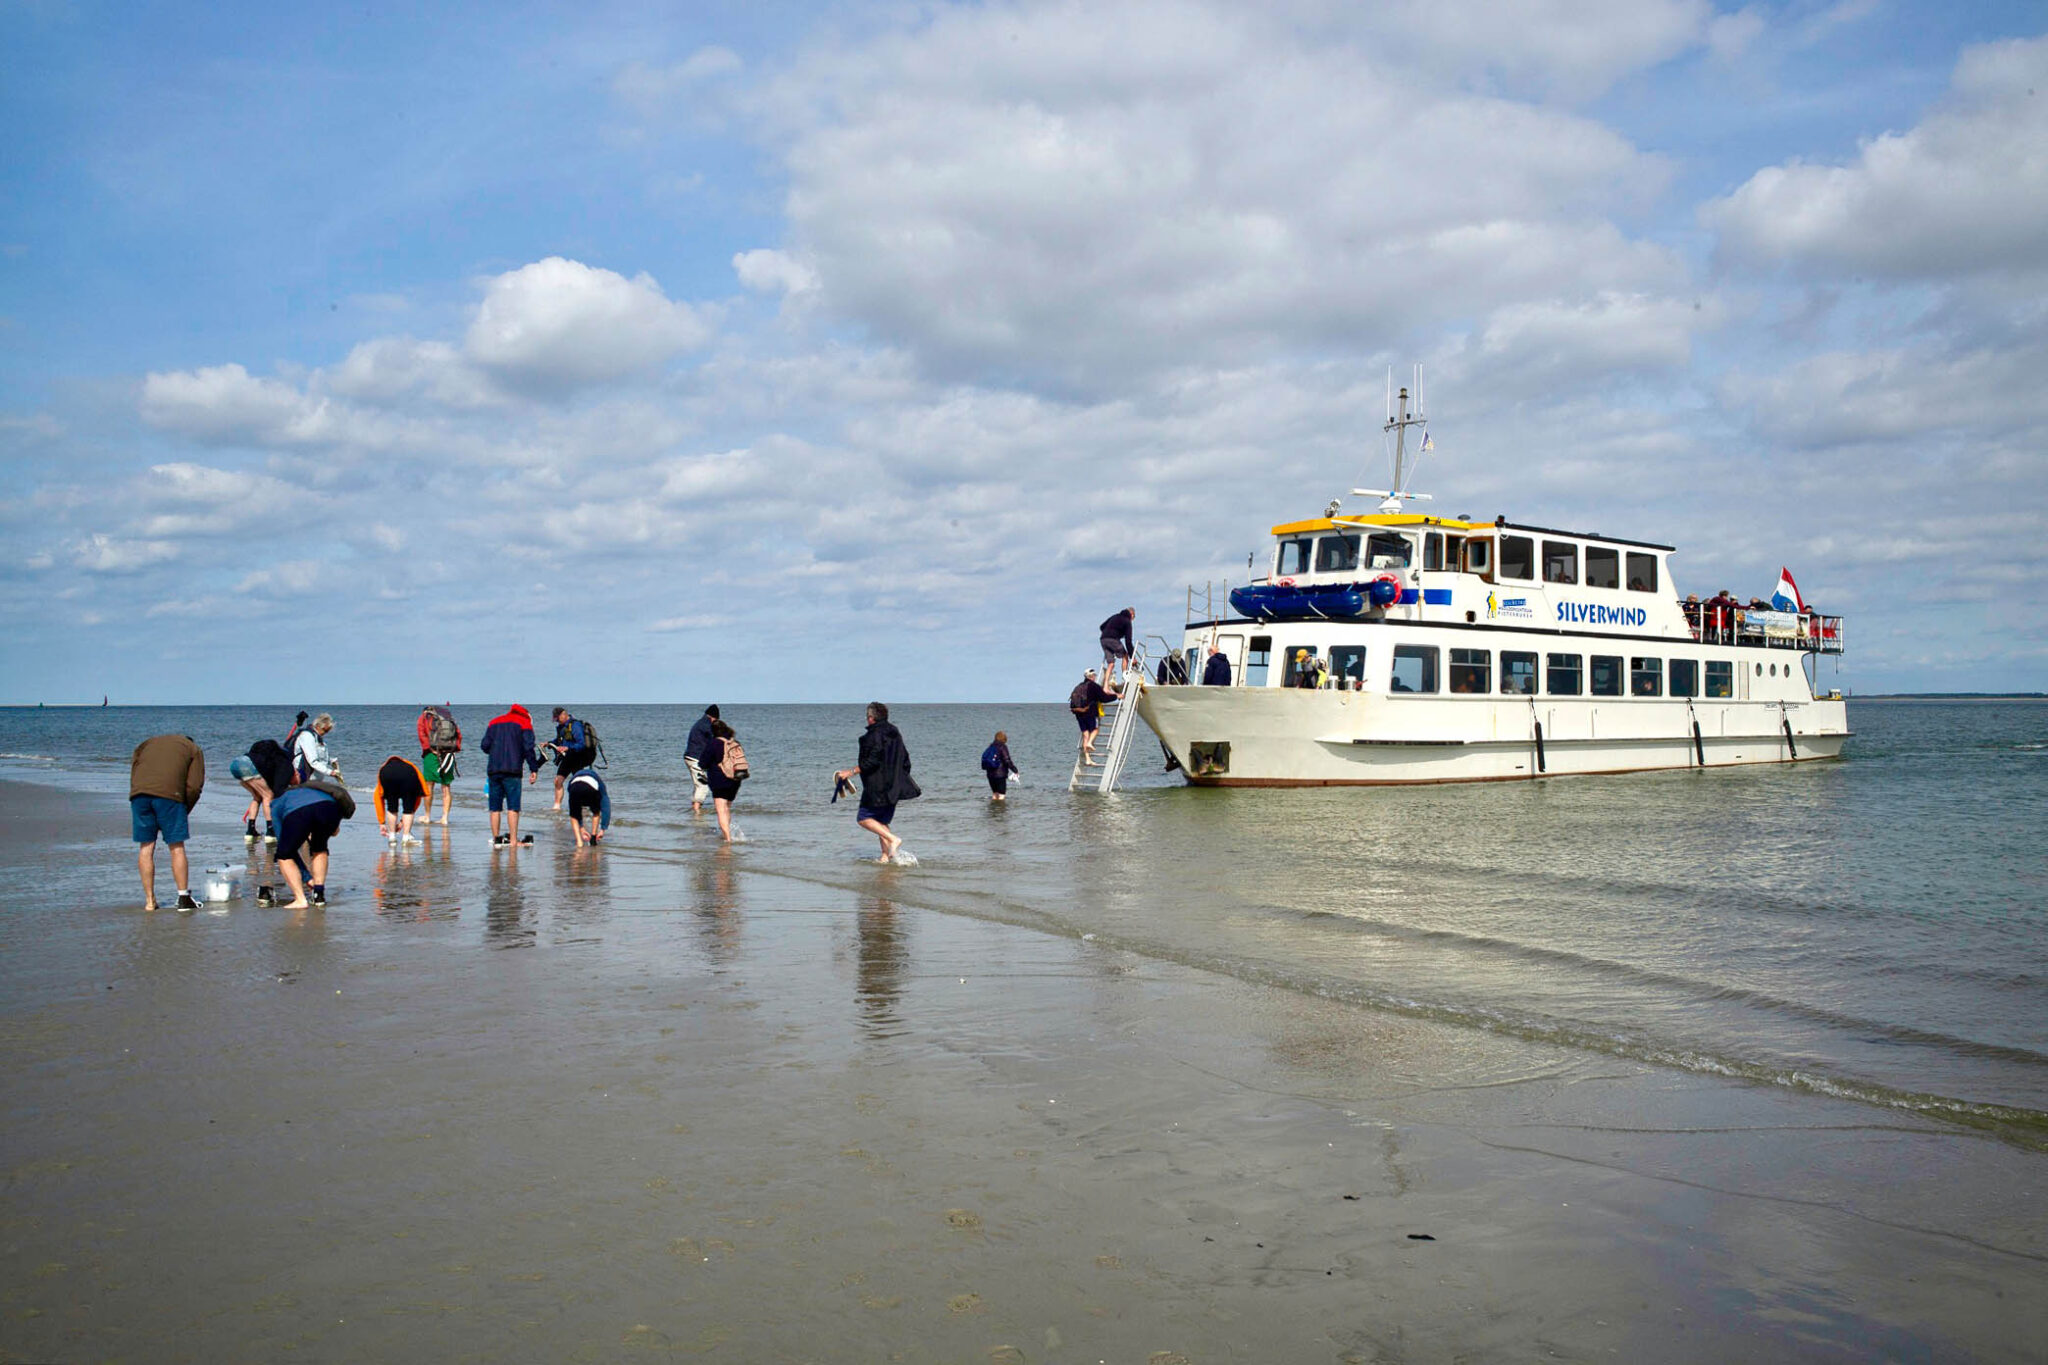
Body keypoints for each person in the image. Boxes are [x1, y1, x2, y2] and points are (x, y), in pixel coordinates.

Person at [835, 702, 919, 863]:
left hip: (877, 787)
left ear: (871, 718)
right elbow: (906, 760)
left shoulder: (872, 736)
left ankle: (894, 840)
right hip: (894, 786)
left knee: (863, 818)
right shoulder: (895, 733)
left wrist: (849, 772)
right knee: (881, 822)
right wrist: (899, 779)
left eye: (868, 717)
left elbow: (872, 761)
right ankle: (885, 857)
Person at [130, 733, 204, 912]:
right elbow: (194, 786)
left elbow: (134, 768)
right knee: (176, 847)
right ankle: (183, 898)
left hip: (139, 794)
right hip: (170, 796)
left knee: (146, 848)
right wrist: (185, 809)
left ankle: (149, 901)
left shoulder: (146, 743)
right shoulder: (193, 749)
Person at [270, 781, 343, 908]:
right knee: (320, 848)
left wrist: (307, 878)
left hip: (301, 812)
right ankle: (318, 894)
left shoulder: (276, 804)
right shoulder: (311, 791)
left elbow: (285, 849)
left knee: (283, 855)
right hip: (330, 808)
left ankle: (300, 899)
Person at [480, 704, 542, 846]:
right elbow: (528, 748)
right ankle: (513, 841)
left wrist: (497, 750)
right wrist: (534, 769)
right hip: (513, 770)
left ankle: (496, 839)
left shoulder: (494, 722)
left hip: (494, 769)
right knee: (513, 806)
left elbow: (484, 746)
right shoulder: (524, 723)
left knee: (494, 807)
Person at [702, 718, 748, 842]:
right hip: (735, 779)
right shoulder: (734, 742)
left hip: (719, 780)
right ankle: (728, 834)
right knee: (727, 808)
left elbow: (703, 763)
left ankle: (728, 839)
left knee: (721, 809)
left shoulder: (714, 743)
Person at [417, 703, 461, 824]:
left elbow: (422, 735)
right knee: (446, 787)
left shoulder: (424, 718)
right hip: (448, 753)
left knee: (429, 786)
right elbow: (457, 734)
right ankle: (445, 818)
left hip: (431, 754)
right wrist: (455, 749)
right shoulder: (447, 717)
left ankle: (427, 816)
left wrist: (429, 748)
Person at [547, 707, 597, 811]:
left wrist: (568, 748)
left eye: (557, 719)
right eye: (555, 719)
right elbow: (559, 740)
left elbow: (581, 744)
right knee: (558, 781)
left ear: (564, 714)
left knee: (578, 782)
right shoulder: (562, 727)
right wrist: (549, 743)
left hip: (578, 757)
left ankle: (585, 806)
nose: (556, 721)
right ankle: (557, 807)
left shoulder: (575, 726)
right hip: (568, 757)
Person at [373, 754, 429, 844]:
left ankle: (392, 837)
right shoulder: (411, 766)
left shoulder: (383, 769)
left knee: (392, 808)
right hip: (408, 775)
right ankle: (406, 837)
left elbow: (378, 798)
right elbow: (417, 800)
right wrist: (403, 821)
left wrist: (382, 823)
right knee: (408, 809)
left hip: (387, 775)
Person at [1069, 669, 1120, 760]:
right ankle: (1090, 743)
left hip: (1079, 713)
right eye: (1094, 675)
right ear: (1092, 676)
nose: (1095, 677)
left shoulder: (1079, 686)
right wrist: (1116, 696)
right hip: (1090, 713)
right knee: (1095, 730)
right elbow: (1104, 698)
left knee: (1085, 735)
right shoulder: (1094, 686)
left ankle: (1088, 759)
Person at [684, 704, 719, 815]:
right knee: (703, 786)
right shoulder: (706, 725)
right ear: (713, 717)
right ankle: (697, 811)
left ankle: (695, 807)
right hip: (695, 758)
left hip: (690, 757)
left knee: (698, 784)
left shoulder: (700, 723)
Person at [564, 768, 612, 847]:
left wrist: (581, 828)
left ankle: (579, 842)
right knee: (596, 812)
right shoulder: (600, 782)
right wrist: (603, 828)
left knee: (573, 815)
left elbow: (575, 810)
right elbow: (606, 806)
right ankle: (593, 838)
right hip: (590, 787)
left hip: (574, 787)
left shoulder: (573, 779)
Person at [293, 713, 339, 782]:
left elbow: (320, 756)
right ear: (317, 726)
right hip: (304, 778)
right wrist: (330, 772)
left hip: (314, 779)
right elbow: (312, 761)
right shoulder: (307, 736)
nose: (325, 733)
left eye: (327, 731)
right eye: (325, 730)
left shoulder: (317, 738)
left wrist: (331, 761)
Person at [1099, 607, 1136, 683]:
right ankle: (1125, 678)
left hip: (1103, 639)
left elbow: (1102, 627)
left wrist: (1110, 631)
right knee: (1125, 655)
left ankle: (1106, 685)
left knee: (1111, 663)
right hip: (1112, 639)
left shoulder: (1115, 616)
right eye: (1133, 618)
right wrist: (1132, 657)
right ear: (1132, 615)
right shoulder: (1127, 621)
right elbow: (1128, 642)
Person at [980, 731, 1019, 801]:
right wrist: (1015, 770)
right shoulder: (1003, 747)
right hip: (1000, 775)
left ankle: (994, 810)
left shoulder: (990, 746)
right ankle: (1001, 810)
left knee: (995, 794)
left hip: (990, 774)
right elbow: (1007, 760)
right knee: (1001, 795)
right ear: (1004, 738)